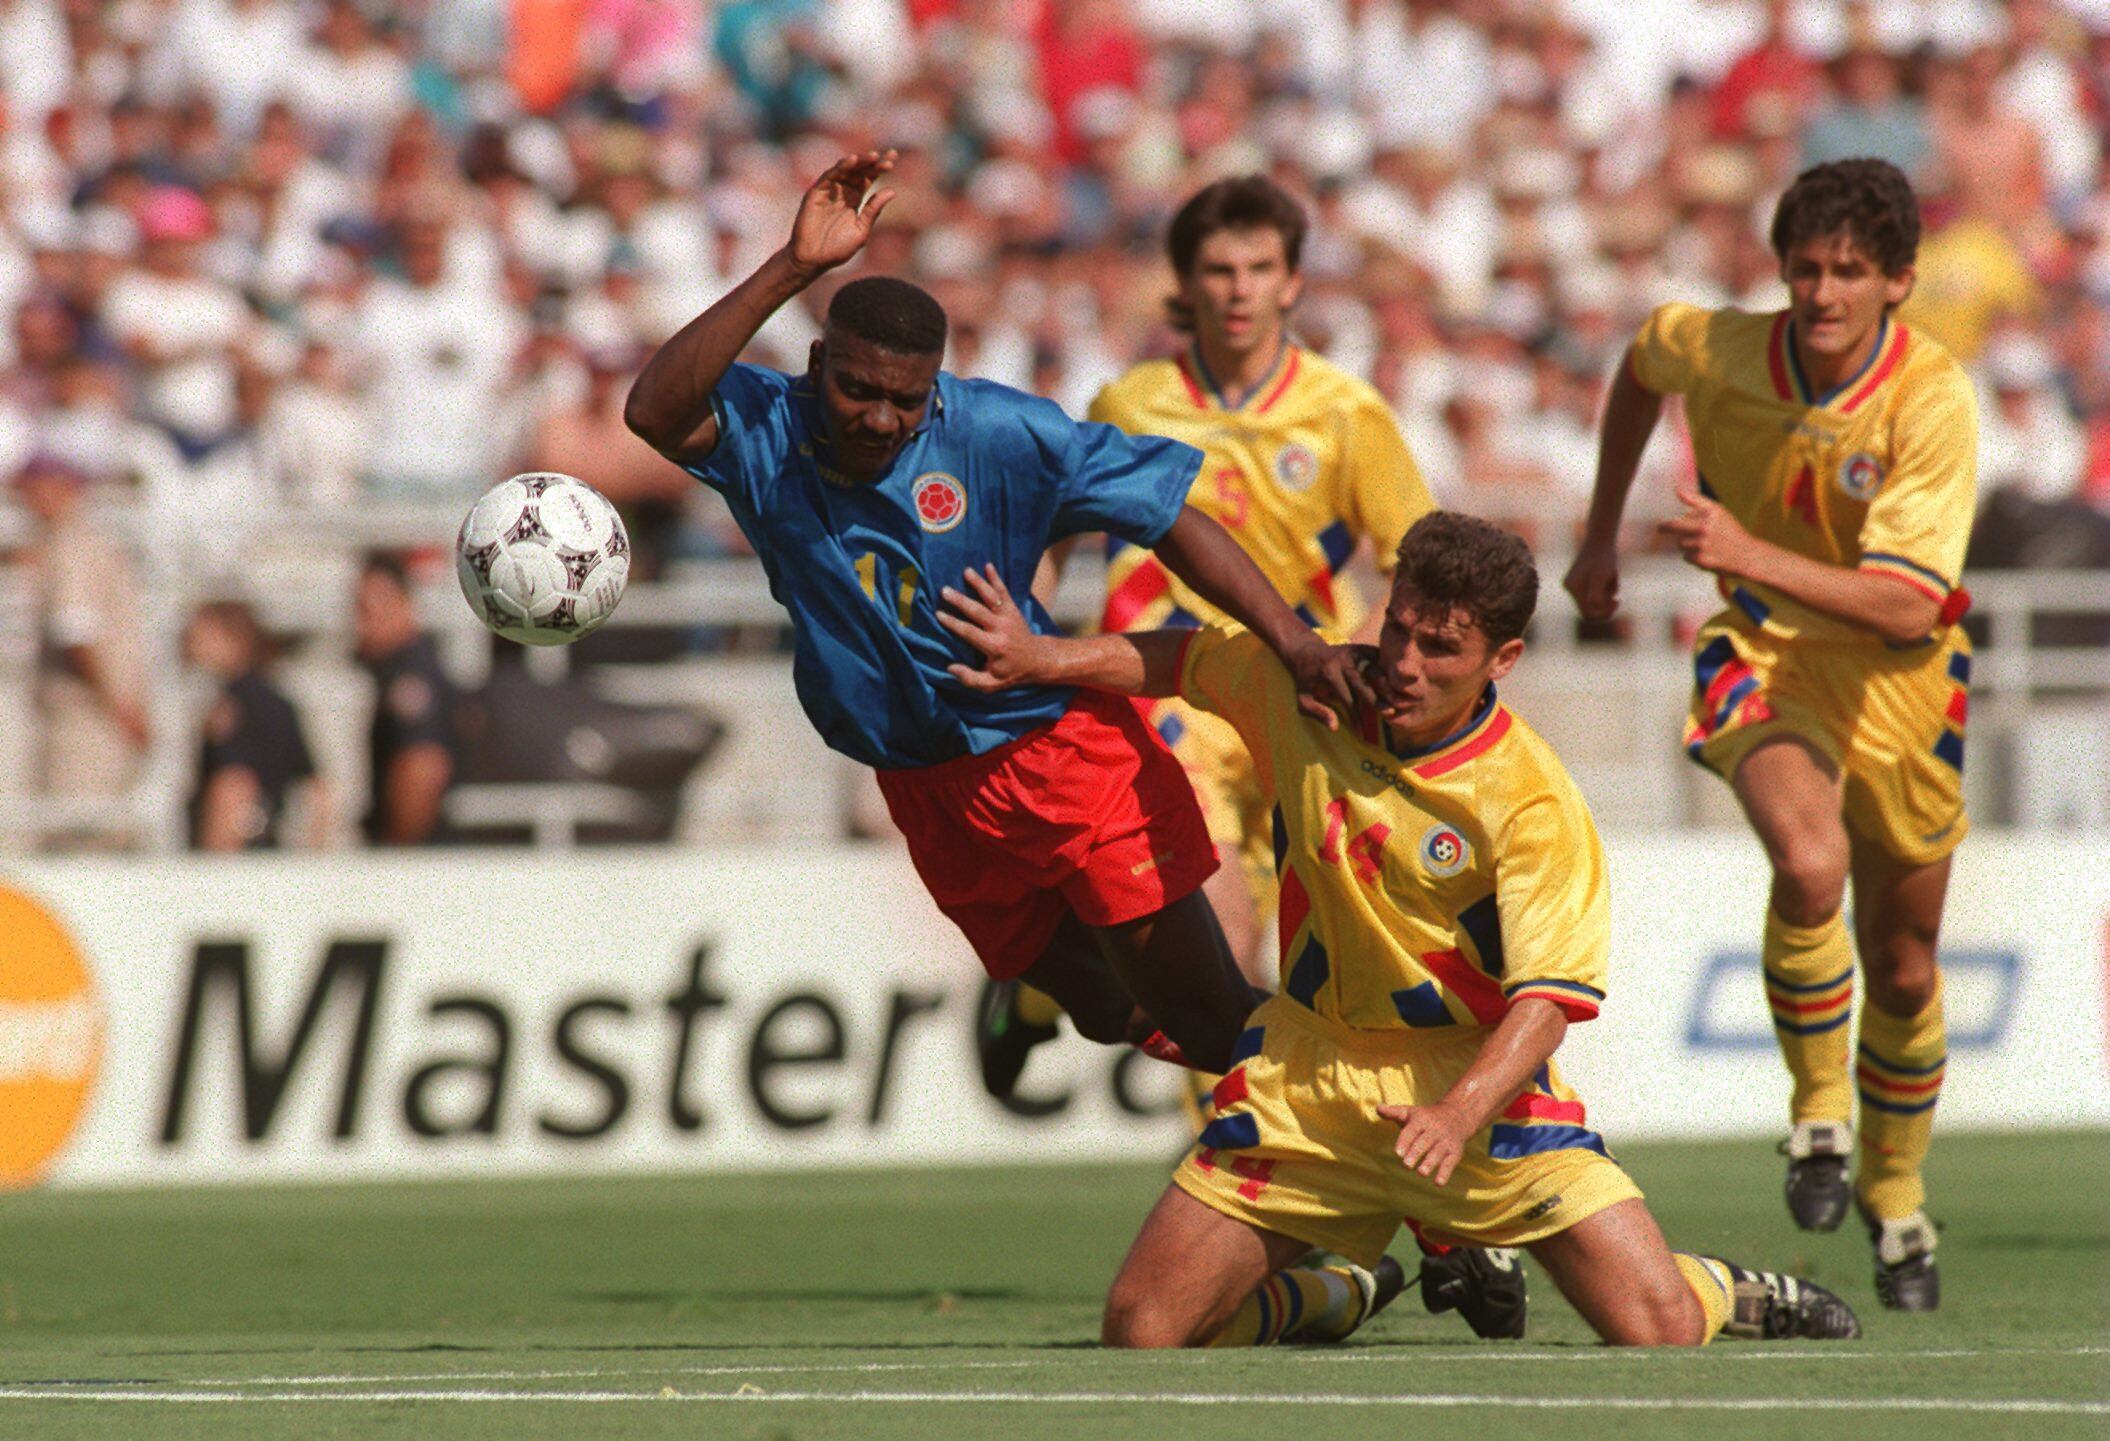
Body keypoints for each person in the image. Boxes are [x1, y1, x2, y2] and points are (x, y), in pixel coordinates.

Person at [935, 511, 1862, 1349]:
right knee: (1143, 1330)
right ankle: (1340, 1290)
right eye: (1400, 630)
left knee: (1653, 1330)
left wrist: (1455, 1117)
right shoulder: (1315, 689)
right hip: (1307, 1078)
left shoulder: (1530, 798)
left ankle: (1723, 1288)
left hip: (1472, 1089)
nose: (1407, 663)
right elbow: (1188, 659)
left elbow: (1548, 1002)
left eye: (1442, 648)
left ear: (1502, 660)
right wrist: (1042, 658)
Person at [622, 151, 1373, 1079]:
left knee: (1214, 1019)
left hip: (1056, 756)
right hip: (922, 785)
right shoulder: (768, 427)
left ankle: (1428, 1171)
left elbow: (1174, 513)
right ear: (819, 365)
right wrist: (795, 267)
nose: (882, 419)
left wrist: (1295, 643)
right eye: (859, 391)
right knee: (1103, 1011)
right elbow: (653, 409)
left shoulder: (998, 431)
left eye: (907, 400)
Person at [1562, 158, 1975, 1312]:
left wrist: (1744, 549)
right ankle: (1818, 1123)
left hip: (1901, 683)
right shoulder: (1718, 346)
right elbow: (1640, 369)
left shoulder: (1930, 399)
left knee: (1903, 965)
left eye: (1850, 272)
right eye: (1804, 268)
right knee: (1807, 861)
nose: (1823, 292)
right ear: (1779, 270)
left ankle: (1896, 1199)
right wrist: (1599, 536)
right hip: (1762, 656)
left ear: (1897, 281)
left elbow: (1905, 601)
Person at [979, 175, 1438, 1102]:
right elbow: (1053, 536)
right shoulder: (1129, 400)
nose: (1238, 289)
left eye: (1258, 268)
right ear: (1184, 287)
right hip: (1166, 686)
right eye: (1218, 270)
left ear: (1293, 283)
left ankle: (1037, 994)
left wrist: (1361, 649)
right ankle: (1252, 1205)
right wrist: (1023, 632)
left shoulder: (1346, 413)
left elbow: (1413, 563)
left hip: (1296, 702)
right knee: (1218, 954)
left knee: (1273, 956)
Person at [12, 451, 150, 839]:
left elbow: (77, 633)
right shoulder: (71, 542)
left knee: (86, 838)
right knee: (86, 838)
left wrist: (118, 707)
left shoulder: (69, 543)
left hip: (90, 717)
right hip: (91, 711)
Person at [184, 598, 329, 851]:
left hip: (241, 856)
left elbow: (234, 788)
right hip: (272, 851)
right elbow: (317, 789)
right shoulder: (279, 700)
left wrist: (215, 870)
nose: (192, 641)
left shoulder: (234, 705)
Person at [354, 552, 461, 846]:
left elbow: (422, 769)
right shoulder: (391, 671)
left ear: (405, 604)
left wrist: (397, 853)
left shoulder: (411, 676)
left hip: (417, 864)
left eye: (370, 611)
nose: (361, 626)